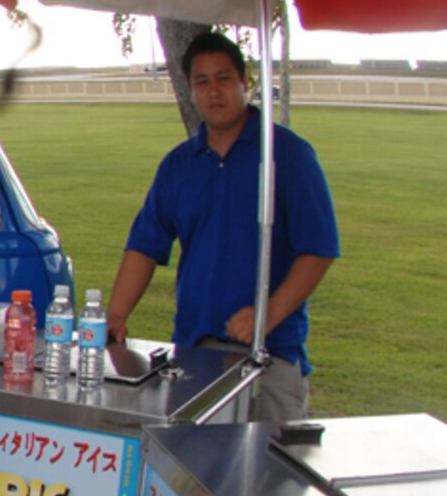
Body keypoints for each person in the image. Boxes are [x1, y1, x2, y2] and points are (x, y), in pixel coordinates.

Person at [106, 32, 339, 424]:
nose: (214, 92)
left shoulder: (287, 154)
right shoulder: (179, 165)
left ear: (244, 82)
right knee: (194, 472)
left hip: (272, 358)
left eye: (224, 78)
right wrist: (115, 314)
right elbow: (145, 246)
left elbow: (319, 249)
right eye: (202, 82)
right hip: (196, 355)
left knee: (271, 479)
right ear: (191, 91)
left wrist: (268, 315)